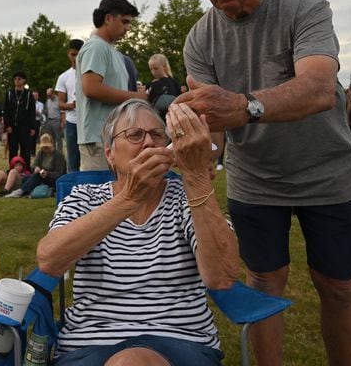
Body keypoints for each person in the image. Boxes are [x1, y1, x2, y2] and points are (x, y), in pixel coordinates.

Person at [179, 0, 351, 365]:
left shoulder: (304, 8)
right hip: (256, 182)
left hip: (328, 175)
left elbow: (321, 88)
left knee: (337, 287)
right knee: (263, 284)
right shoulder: (199, 40)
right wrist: (192, 152)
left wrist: (244, 106)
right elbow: (217, 132)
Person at [36, 99, 239, 365]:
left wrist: (197, 177)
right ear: (109, 154)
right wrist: (129, 199)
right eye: (134, 135)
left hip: (181, 342)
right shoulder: (84, 197)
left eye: (157, 135)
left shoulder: (187, 198)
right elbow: (49, 261)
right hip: (90, 344)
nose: (149, 143)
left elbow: (223, 276)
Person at [75, 0, 147, 171]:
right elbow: (91, 88)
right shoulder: (96, 47)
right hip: (98, 141)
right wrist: (136, 97)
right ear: (108, 18)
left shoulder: (111, 51)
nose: (128, 28)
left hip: (111, 137)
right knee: (99, 196)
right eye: (124, 22)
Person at [5, 133, 66, 198]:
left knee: (36, 177)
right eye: (44, 147)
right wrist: (36, 168)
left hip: (55, 179)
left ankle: (20, 191)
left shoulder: (58, 155)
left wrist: (47, 174)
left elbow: (59, 173)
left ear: (52, 145)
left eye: (47, 147)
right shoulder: (41, 153)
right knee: (27, 178)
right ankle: (25, 191)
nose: (45, 149)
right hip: (43, 176)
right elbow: (34, 164)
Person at [56, 39, 83, 172]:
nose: (76, 58)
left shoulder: (90, 74)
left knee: (91, 159)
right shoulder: (64, 77)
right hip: (72, 122)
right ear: (68, 54)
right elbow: (60, 104)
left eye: (79, 54)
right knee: (73, 161)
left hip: (88, 122)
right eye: (73, 54)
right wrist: (72, 105)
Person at [3, 71, 36, 166]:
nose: (17, 81)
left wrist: (32, 127)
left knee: (25, 148)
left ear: (24, 80)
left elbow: (31, 111)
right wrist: (7, 125)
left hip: (24, 126)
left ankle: (26, 169)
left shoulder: (28, 94)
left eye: (19, 79)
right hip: (12, 126)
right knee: (13, 149)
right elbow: (6, 110)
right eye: (15, 79)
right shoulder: (9, 93)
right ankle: (12, 168)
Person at [147, 53, 182, 119]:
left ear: (164, 67)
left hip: (172, 117)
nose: (153, 72)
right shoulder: (152, 84)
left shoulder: (174, 83)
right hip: (156, 118)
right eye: (151, 69)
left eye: (156, 68)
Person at [43, 88, 63, 154]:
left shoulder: (59, 100)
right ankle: (53, 152)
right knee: (51, 139)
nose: (49, 97)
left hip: (57, 120)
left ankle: (59, 153)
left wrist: (62, 122)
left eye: (50, 95)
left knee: (58, 138)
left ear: (53, 93)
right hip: (49, 121)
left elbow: (62, 112)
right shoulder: (48, 101)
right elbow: (46, 111)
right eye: (47, 95)